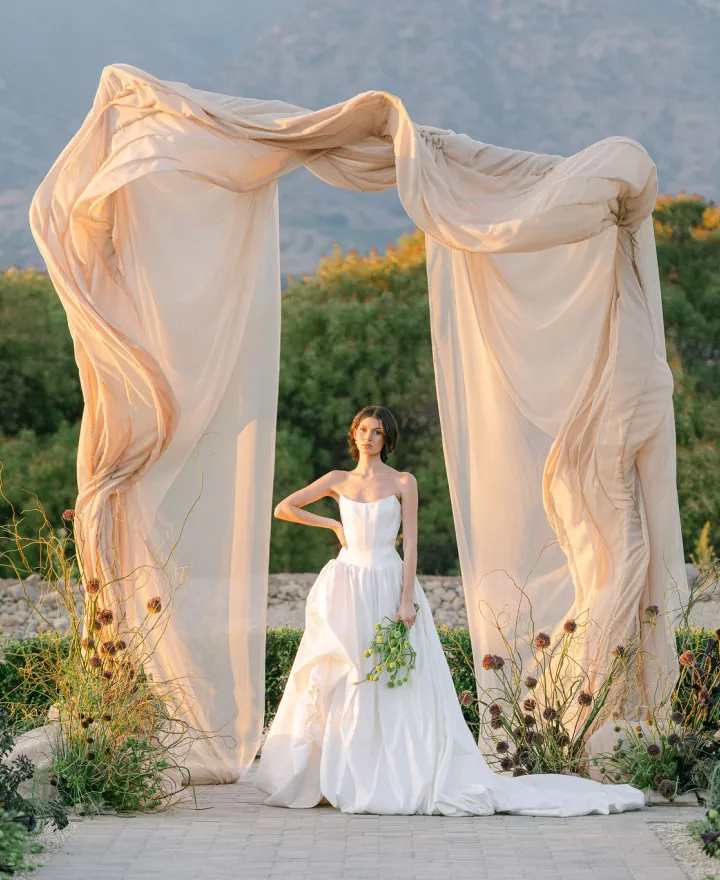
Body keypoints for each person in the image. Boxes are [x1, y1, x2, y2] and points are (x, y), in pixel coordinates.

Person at [254, 405, 644, 816]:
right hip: (348, 586)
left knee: (393, 682)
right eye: (363, 430)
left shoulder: (403, 481)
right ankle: (339, 773)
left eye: (377, 432)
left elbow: (410, 544)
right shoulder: (337, 480)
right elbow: (285, 507)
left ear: (387, 439)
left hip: (388, 582)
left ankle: (393, 773)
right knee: (347, 676)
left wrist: (406, 599)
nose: (369, 437)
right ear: (354, 434)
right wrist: (333, 525)